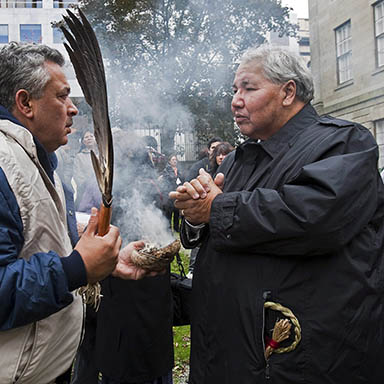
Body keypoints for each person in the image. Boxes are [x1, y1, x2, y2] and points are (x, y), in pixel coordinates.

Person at [170, 45, 384, 383]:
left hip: (299, 363)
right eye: (234, 90)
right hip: (228, 355)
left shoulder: (344, 143)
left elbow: (313, 218)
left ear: (288, 92)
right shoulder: (241, 158)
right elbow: (225, 232)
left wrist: (217, 207)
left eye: (248, 88)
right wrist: (196, 215)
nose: (235, 100)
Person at [0, 42, 151, 384]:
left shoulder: (42, 163)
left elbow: (39, 249)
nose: (72, 110)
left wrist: (103, 263)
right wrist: (75, 269)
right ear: (25, 103)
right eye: (62, 96)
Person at [73, 130, 98, 209]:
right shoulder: (79, 157)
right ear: (83, 141)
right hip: (86, 192)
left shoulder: (102, 154)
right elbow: (78, 176)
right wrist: (89, 185)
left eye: (91, 136)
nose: (89, 138)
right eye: (86, 137)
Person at [160, 154, 185, 232]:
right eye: (173, 160)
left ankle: (177, 228)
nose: (174, 161)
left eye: (175, 159)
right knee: (169, 213)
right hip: (169, 194)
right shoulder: (166, 170)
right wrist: (175, 179)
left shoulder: (179, 170)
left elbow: (182, 179)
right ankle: (168, 229)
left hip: (177, 193)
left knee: (177, 212)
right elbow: (167, 180)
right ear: (169, 161)